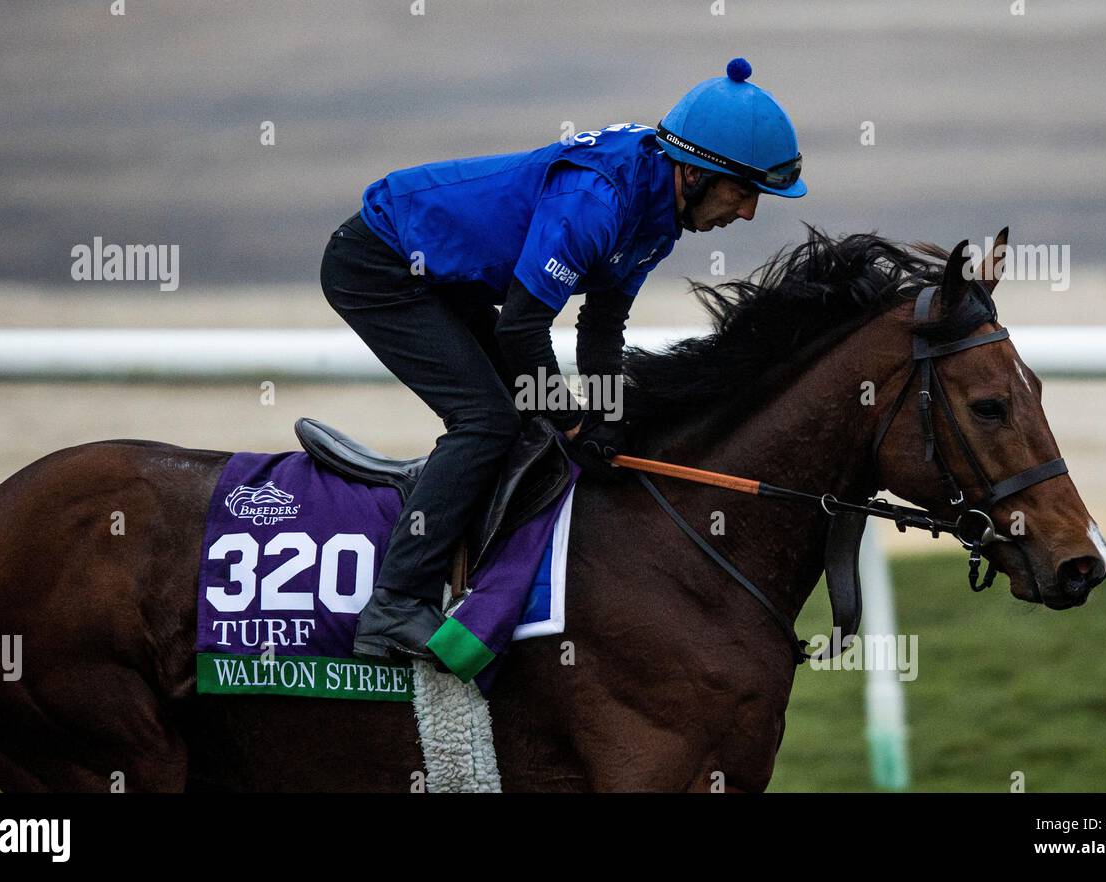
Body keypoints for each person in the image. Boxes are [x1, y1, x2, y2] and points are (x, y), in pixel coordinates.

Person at [320, 57, 807, 661]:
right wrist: (573, 420)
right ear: (696, 172)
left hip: (451, 279)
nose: (750, 212)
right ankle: (393, 606)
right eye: (744, 191)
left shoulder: (659, 211)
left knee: (532, 419)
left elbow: (602, 327)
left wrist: (610, 414)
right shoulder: (598, 201)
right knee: (490, 420)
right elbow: (524, 331)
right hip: (381, 265)